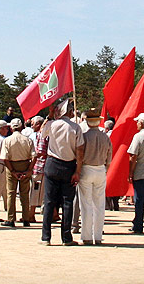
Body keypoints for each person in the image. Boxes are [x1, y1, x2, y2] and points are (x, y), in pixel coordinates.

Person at [41, 98, 85, 246]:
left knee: (49, 201)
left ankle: (45, 237)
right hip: (69, 166)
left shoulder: (52, 125)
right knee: (67, 203)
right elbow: (80, 151)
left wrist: (49, 116)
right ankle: (66, 237)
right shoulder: (76, 128)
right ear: (70, 112)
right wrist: (77, 171)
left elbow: (41, 133)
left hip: (52, 164)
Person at [78, 109, 113, 245]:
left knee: (85, 204)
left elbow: (80, 155)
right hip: (100, 169)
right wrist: (106, 169)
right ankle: (97, 236)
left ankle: (86, 236)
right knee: (99, 204)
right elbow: (109, 156)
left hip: (86, 169)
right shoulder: (105, 137)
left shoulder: (84, 136)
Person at [0, 118, 36, 228]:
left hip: (12, 166)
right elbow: (34, 156)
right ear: (21, 127)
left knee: (11, 193)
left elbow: (5, 158)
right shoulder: (28, 140)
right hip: (25, 164)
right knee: (24, 194)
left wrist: (12, 171)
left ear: (11, 127)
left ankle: (11, 218)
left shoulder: (7, 140)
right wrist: (29, 170)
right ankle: (26, 218)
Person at [30, 118, 49, 222]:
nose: (31, 125)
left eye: (33, 124)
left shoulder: (42, 135)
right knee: (38, 191)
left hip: (40, 167)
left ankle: (31, 214)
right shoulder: (41, 134)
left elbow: (40, 152)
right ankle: (31, 213)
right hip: (40, 167)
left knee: (37, 191)